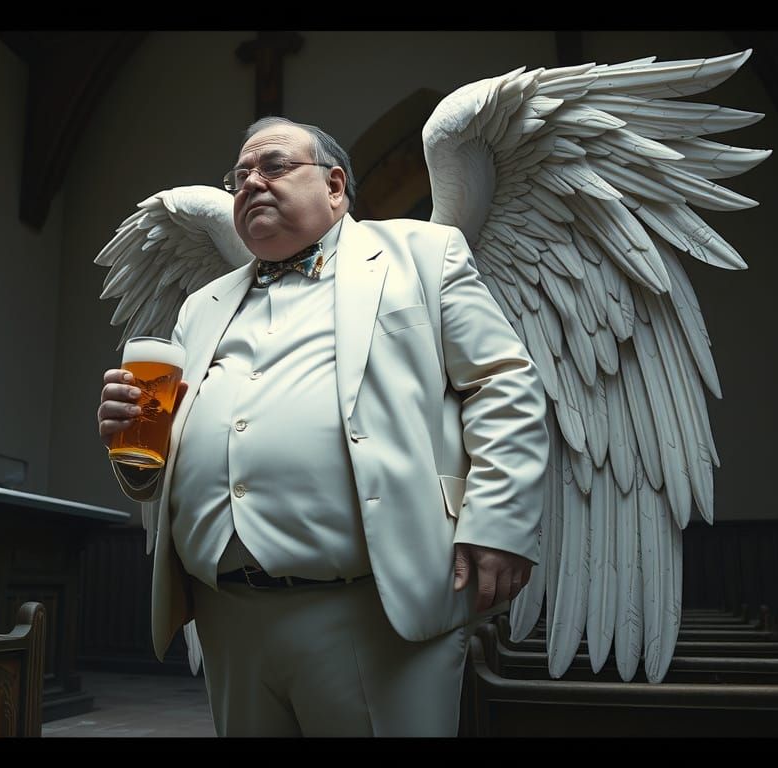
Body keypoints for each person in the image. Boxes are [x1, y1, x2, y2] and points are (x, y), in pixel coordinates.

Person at [97, 116, 549, 736]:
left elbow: (502, 381)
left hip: (372, 608)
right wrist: (131, 447)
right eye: (238, 177)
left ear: (334, 186)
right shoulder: (200, 309)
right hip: (229, 615)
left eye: (274, 166)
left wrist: (499, 521)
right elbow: (164, 466)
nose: (251, 182)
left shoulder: (422, 255)